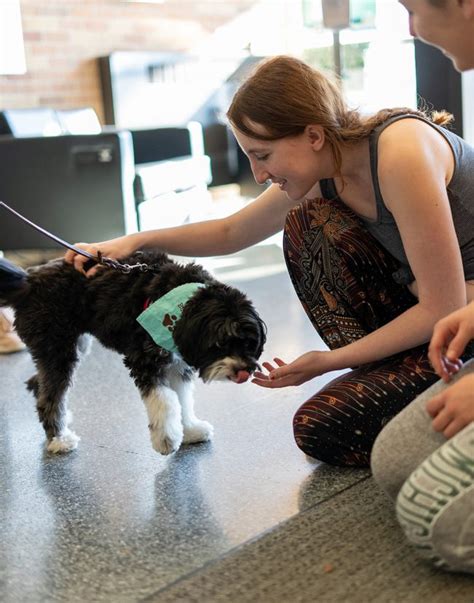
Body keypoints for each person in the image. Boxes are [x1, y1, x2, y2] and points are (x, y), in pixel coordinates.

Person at [65, 51, 474, 467]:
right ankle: (404, 376)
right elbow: (231, 232)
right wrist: (133, 241)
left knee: (325, 426)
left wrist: (327, 362)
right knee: (307, 227)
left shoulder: (399, 152)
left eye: (263, 155)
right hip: (434, 321)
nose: (259, 175)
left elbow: (444, 306)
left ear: (313, 135)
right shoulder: (324, 169)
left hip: (458, 324)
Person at [371, 0, 474, 574]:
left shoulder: (402, 149)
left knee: (435, 520)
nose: (411, 27)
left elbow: (439, 300)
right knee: (394, 460)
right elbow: (238, 227)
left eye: (412, 8)